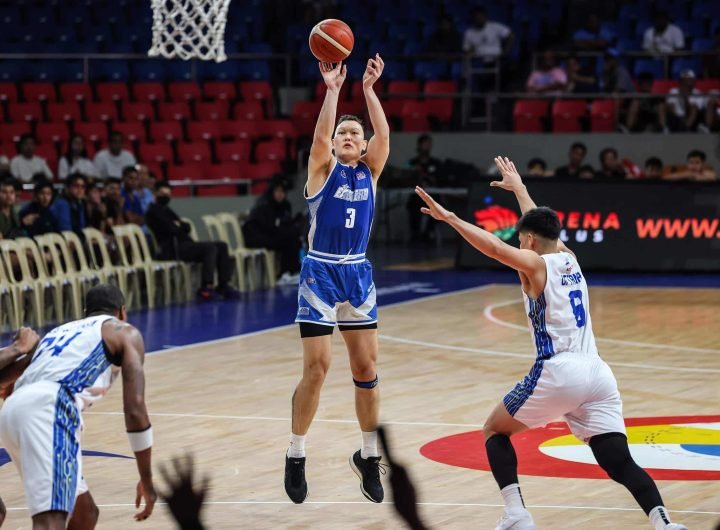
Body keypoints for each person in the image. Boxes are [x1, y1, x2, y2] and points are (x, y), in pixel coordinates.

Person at [414, 156, 688, 530]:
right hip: (598, 373)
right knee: (617, 460)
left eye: (523, 238)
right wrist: (521, 190)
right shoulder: (569, 258)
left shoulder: (535, 264)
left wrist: (452, 219)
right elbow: (541, 228)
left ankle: (516, 514)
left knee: (494, 430)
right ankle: (665, 523)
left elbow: (495, 248)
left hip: (559, 369)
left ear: (527, 241)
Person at [286, 54, 390, 505]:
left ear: (363, 145)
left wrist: (367, 91)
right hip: (320, 272)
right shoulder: (320, 171)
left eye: (355, 133)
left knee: (366, 370)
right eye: (342, 133)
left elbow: (384, 134)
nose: (348, 136)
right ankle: (296, 453)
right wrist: (332, 91)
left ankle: (368, 456)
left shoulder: (370, 171)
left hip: (358, 274)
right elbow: (320, 139)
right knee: (318, 369)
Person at [0, 284, 157, 530]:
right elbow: (135, 409)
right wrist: (147, 480)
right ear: (122, 312)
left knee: (85, 513)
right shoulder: (124, 331)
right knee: (50, 520)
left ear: (86, 312)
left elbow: (6, 377)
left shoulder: (58, 332)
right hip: (49, 409)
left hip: (12, 412)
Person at [146, 181, 240, 300]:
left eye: (168, 194)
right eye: (163, 193)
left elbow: (187, 226)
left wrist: (178, 225)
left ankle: (223, 284)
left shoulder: (167, 210)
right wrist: (178, 226)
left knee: (222, 245)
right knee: (209, 248)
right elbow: (171, 229)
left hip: (186, 244)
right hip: (173, 248)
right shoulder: (153, 212)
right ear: (155, 193)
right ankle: (206, 287)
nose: (166, 197)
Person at [242, 180, 303, 282]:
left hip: (268, 235)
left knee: (293, 239)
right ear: (272, 193)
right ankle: (284, 274)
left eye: (282, 192)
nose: (280, 194)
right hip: (256, 237)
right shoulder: (264, 206)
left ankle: (291, 272)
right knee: (289, 240)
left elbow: (280, 226)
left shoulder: (284, 206)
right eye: (277, 191)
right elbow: (268, 227)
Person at [406, 134, 443, 243]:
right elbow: (405, 174)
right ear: (419, 145)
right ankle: (415, 234)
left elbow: (440, 180)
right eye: (425, 144)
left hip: (433, 196)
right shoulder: (411, 163)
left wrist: (430, 180)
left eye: (429, 144)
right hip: (417, 197)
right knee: (412, 207)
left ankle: (428, 233)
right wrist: (414, 172)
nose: (427, 147)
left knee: (438, 208)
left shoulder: (436, 163)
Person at [50, 173, 87, 237]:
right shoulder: (62, 203)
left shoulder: (79, 203)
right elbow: (65, 231)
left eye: (82, 186)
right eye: (76, 186)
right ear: (67, 187)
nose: (80, 190)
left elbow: (82, 227)